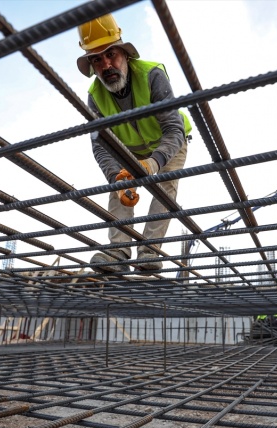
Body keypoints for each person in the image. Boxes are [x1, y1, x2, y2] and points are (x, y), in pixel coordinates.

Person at [77, 13, 192, 273]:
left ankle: (149, 251)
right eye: (97, 59)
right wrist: (117, 176)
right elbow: (101, 145)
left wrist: (153, 163)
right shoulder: (95, 97)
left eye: (111, 55)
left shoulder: (151, 75)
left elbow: (173, 129)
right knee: (117, 184)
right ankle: (118, 251)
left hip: (168, 142)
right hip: (130, 149)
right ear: (92, 66)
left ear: (125, 54)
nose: (106, 65)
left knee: (165, 186)